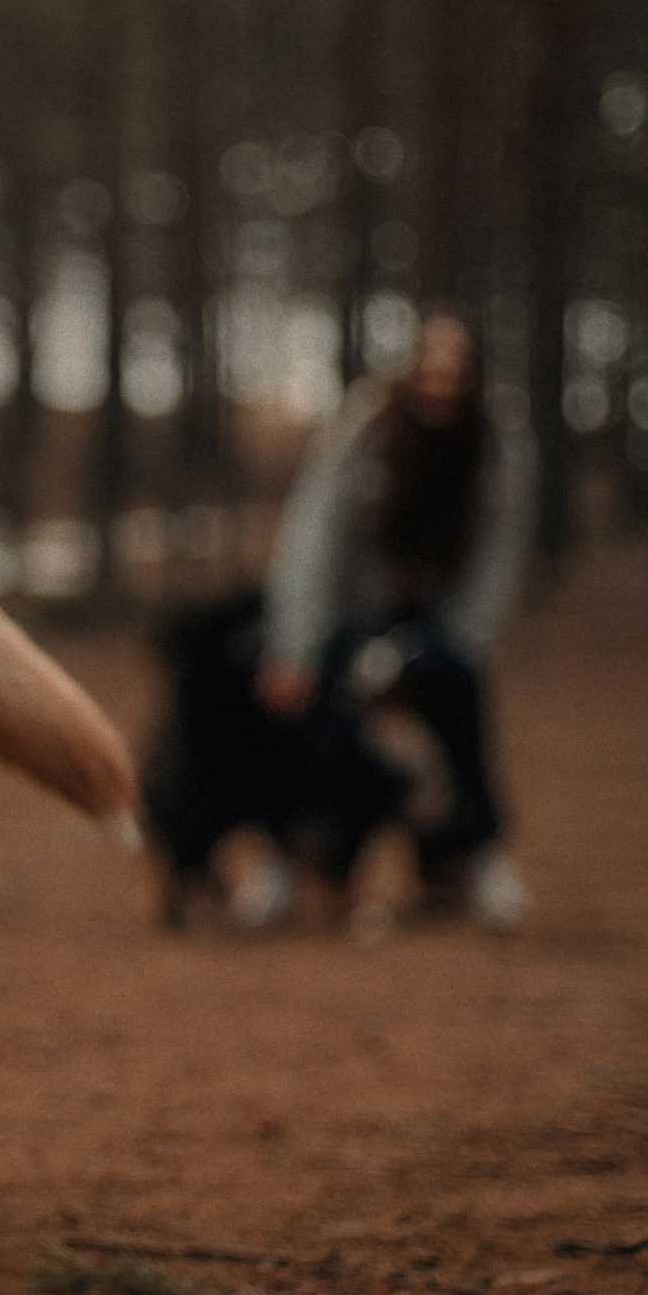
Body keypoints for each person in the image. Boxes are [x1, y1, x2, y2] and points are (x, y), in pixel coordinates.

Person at [247, 305, 535, 930]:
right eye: (429, 364)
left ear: (472, 374)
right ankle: (286, 860)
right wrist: (293, 645)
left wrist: (462, 643)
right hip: (353, 612)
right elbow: (309, 540)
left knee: (458, 701)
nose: (440, 378)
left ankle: (475, 854)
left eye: (454, 367)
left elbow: (499, 556)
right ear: (409, 370)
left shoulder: (497, 441)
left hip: (441, 619)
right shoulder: (363, 429)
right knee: (310, 714)